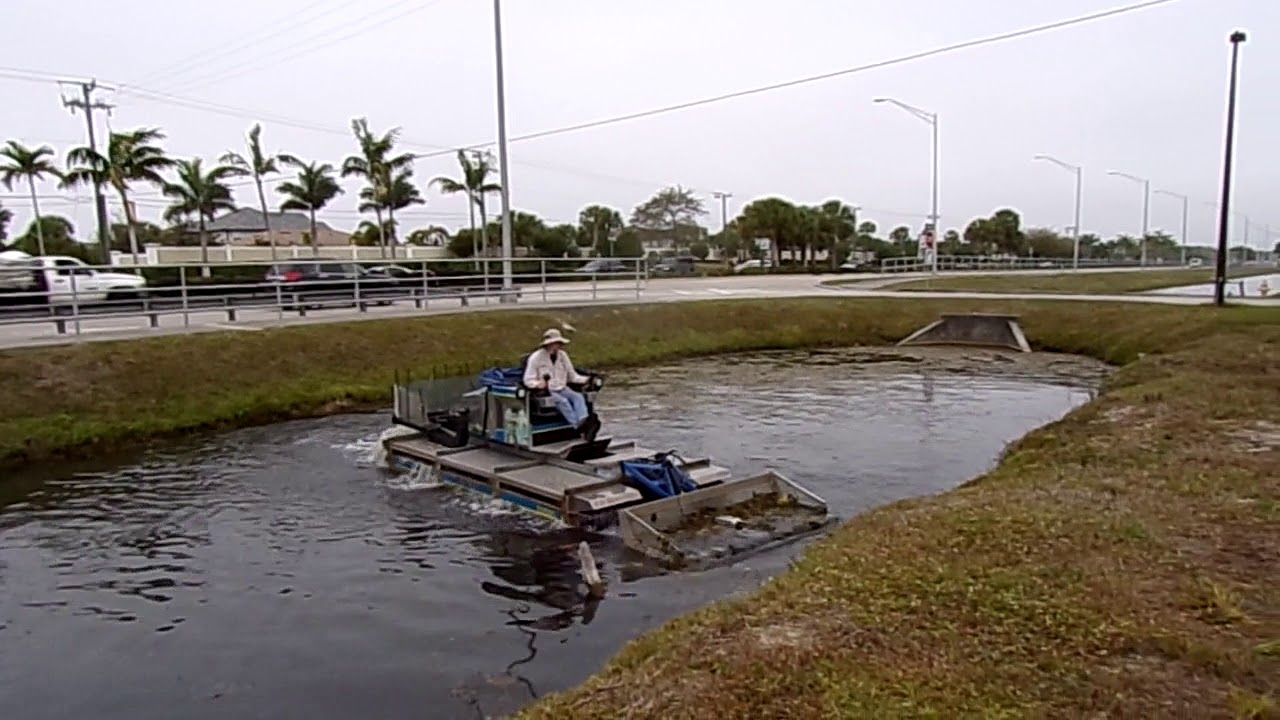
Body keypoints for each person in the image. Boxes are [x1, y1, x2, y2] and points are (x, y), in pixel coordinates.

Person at [522, 328, 601, 441]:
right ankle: (578, 427)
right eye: (556, 343)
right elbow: (528, 380)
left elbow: (572, 376)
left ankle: (585, 423)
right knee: (562, 401)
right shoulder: (536, 358)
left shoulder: (563, 356)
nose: (558, 346)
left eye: (559, 343)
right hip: (547, 391)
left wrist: (587, 380)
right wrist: (538, 384)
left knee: (578, 397)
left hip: (563, 388)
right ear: (549, 344)